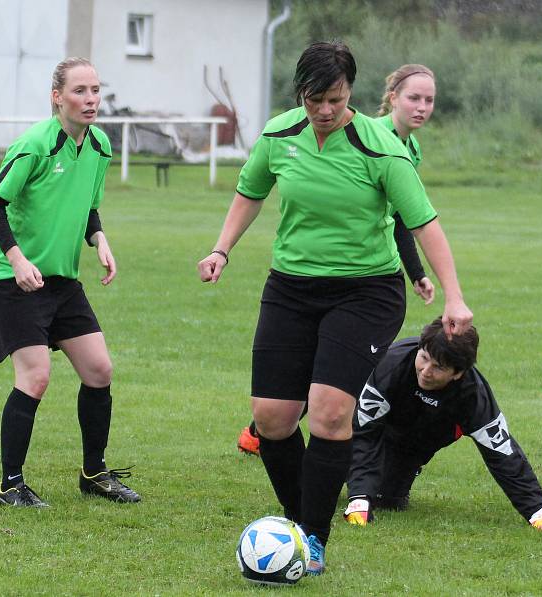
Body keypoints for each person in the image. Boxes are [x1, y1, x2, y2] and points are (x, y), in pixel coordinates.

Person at [198, 41, 472, 575]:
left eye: (336, 98)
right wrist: (221, 248)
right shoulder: (280, 133)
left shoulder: (380, 146)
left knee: (327, 411)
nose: (324, 109)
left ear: (352, 93)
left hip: (366, 292)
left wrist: (453, 294)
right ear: (300, 93)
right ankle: (299, 521)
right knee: (272, 419)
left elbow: (424, 223)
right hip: (290, 288)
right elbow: (250, 192)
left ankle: (314, 540)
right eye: (314, 98)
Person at [235, 64, 438, 458]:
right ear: (392, 97)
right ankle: (263, 433)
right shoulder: (373, 138)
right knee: (315, 377)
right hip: (314, 276)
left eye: (429, 100)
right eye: (414, 97)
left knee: (332, 380)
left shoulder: (409, 148)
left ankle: (303, 460)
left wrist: (416, 273)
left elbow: (399, 218)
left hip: (370, 278)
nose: (422, 107)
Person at [0, 57, 140, 507]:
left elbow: (87, 205)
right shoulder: (35, 144)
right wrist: (16, 259)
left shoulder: (101, 146)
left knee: (99, 370)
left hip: (62, 280)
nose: (91, 99)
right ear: (57, 97)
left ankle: (94, 473)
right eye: (80, 91)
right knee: (35, 377)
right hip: (15, 279)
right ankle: (10, 485)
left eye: (96, 90)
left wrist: (99, 239)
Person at [344, 318, 542, 531]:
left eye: (438, 367)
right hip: (369, 426)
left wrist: (537, 513)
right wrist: (359, 499)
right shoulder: (393, 364)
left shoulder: (473, 396)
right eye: (424, 357)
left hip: (414, 445)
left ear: (458, 373)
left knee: (388, 501)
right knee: (329, 473)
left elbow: (502, 453)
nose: (426, 371)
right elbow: (365, 431)